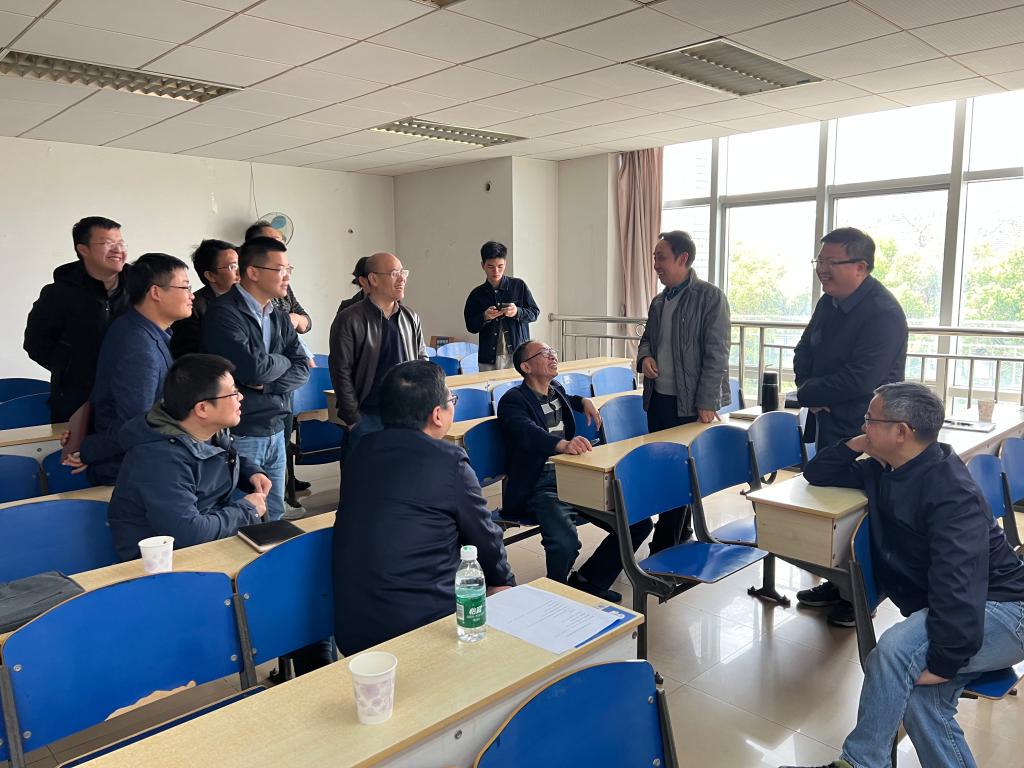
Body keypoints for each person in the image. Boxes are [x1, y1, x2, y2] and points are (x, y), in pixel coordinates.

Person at [781, 382, 1024, 768]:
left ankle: (859, 763)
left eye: (870, 420)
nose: (863, 426)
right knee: (922, 702)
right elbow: (817, 472)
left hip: (1006, 610)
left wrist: (944, 662)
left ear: (901, 432)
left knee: (894, 652)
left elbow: (958, 585)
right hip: (969, 608)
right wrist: (860, 442)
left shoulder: (950, 493)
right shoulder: (887, 469)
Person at [332, 360, 515, 655]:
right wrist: (505, 585)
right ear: (438, 415)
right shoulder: (449, 461)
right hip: (422, 628)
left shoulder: (362, 450)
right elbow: (485, 538)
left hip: (354, 628)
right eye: (451, 400)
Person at [793, 227, 908, 627]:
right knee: (833, 504)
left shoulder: (883, 312)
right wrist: (808, 391)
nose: (822, 270)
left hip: (868, 428)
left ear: (861, 266)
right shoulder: (829, 302)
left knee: (863, 509)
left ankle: (863, 594)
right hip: (829, 420)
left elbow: (863, 378)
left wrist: (813, 391)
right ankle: (837, 581)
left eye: (831, 262)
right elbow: (803, 351)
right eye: (819, 261)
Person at [497, 340, 652, 602]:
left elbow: (568, 400)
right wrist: (561, 445)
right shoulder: (512, 401)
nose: (552, 356)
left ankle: (590, 582)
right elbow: (525, 431)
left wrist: (583, 401)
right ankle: (557, 597)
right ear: (526, 367)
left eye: (552, 351)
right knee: (565, 543)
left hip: (572, 475)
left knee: (637, 522)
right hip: (539, 483)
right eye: (544, 353)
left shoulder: (555, 390)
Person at [107, 354, 269, 562]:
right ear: (202, 408)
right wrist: (247, 509)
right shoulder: (158, 458)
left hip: (210, 544)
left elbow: (217, 457)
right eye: (232, 393)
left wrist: (251, 472)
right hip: (162, 564)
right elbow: (189, 533)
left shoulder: (207, 431)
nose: (241, 397)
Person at [202, 236, 309, 522]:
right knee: (244, 518)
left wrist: (269, 380)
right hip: (242, 432)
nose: (287, 277)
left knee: (275, 515)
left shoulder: (278, 314)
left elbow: (302, 367)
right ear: (253, 272)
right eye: (280, 269)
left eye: (289, 269)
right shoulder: (223, 313)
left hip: (276, 428)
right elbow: (254, 369)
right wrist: (281, 362)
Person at [636, 230, 731, 553]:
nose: (656, 265)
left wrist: (707, 401)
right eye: (654, 258)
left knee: (679, 475)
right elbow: (647, 340)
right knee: (666, 471)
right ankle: (681, 533)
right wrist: (645, 357)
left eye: (661, 258)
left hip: (690, 403)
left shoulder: (710, 297)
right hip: (658, 400)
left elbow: (717, 354)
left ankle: (664, 545)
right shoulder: (659, 301)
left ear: (683, 258)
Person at [67, 253, 193, 485]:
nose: (191, 295)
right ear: (155, 292)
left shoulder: (143, 330)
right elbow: (136, 423)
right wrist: (88, 451)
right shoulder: (138, 344)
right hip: (131, 471)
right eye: (185, 287)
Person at [24, 216, 131, 422]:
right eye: (108, 243)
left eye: (121, 243)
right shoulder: (58, 294)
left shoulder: (140, 289)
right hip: (76, 401)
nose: (118, 250)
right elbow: (36, 344)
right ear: (83, 249)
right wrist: (71, 371)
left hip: (131, 395)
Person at [328, 252, 427, 456]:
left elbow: (422, 362)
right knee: (363, 474)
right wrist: (353, 419)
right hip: (367, 417)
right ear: (373, 279)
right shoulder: (349, 319)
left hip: (406, 416)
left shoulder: (410, 317)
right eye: (394, 273)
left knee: (401, 473)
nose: (402, 279)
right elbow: (340, 372)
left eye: (403, 273)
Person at [463, 241, 539, 371]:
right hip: (488, 357)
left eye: (500, 266)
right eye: (490, 267)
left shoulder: (518, 286)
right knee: (489, 384)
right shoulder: (477, 294)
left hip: (517, 355)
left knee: (517, 384)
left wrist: (517, 312)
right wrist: (485, 316)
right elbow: (471, 326)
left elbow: (534, 313)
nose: (496, 271)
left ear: (505, 264)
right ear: (483, 265)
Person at [169, 239, 239, 359]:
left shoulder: (249, 299)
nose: (240, 271)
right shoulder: (192, 309)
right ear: (210, 275)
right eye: (232, 266)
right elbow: (189, 357)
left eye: (240, 264)